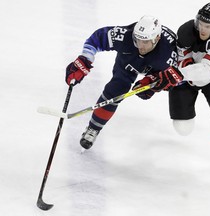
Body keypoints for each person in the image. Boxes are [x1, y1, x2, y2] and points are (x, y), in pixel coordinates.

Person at [137, 2, 210, 172]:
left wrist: (179, 73)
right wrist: (154, 79)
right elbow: (179, 60)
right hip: (185, 78)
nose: (203, 29)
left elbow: (207, 71)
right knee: (183, 128)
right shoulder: (185, 31)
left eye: (208, 26)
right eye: (201, 23)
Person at [65, 15, 178, 150]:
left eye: (145, 41)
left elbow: (178, 79)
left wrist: (155, 84)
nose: (140, 45)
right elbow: (97, 39)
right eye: (138, 40)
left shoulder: (170, 55)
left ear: (157, 38)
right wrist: (85, 59)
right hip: (129, 60)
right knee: (115, 90)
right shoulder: (126, 36)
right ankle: (93, 128)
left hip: (156, 67)